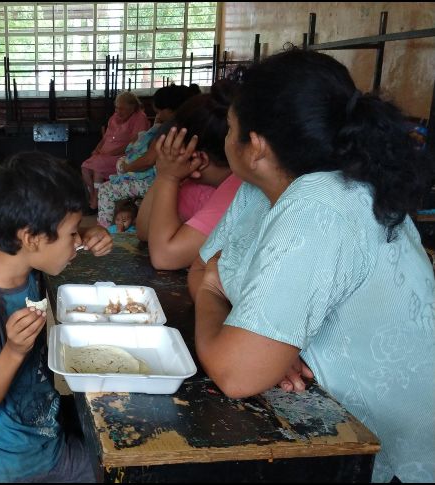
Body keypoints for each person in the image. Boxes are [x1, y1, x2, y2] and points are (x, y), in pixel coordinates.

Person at [182, 49, 434, 482]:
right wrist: (268, 343)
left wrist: (215, 300)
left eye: (232, 128)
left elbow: (236, 373)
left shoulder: (320, 203)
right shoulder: (262, 188)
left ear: (256, 146)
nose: (227, 139)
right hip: (325, 425)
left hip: (385, 457)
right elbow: (200, 266)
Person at [0, 152, 112, 482]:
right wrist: (14, 351)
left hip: (43, 421)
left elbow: (47, 246)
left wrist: (87, 234)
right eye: (71, 233)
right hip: (21, 459)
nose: (76, 241)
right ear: (30, 238)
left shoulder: (16, 259)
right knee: (116, 470)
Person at [136, 80, 243, 270]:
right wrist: (166, 175)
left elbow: (164, 258)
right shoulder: (194, 185)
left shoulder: (239, 188)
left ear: (199, 158)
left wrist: (168, 177)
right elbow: (144, 230)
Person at [97, 84, 201, 227]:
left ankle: (104, 231)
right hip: (178, 179)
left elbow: (148, 160)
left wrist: (127, 167)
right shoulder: (190, 123)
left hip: (159, 181)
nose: (158, 115)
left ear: (167, 109)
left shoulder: (169, 128)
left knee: (105, 190)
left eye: (159, 111)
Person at [81, 91, 150, 210]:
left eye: (122, 109)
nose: (118, 111)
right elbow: (105, 137)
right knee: (85, 168)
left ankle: (95, 200)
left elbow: (134, 144)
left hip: (123, 156)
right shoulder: (114, 117)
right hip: (105, 155)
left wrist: (111, 153)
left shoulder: (140, 118)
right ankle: (92, 194)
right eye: (116, 108)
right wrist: (97, 149)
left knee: (98, 170)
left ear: (132, 107)